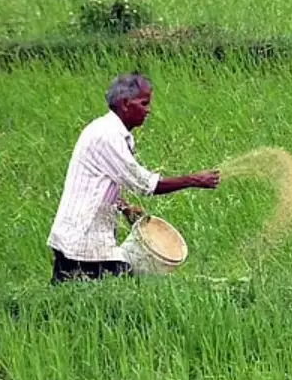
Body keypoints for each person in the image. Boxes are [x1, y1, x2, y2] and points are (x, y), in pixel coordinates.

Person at [47, 73, 220, 283]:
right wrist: (194, 180)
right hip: (84, 239)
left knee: (80, 295)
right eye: (144, 103)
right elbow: (146, 184)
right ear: (126, 104)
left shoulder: (111, 132)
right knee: (117, 286)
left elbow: (100, 181)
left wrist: (123, 206)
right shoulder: (108, 136)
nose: (148, 110)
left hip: (81, 237)